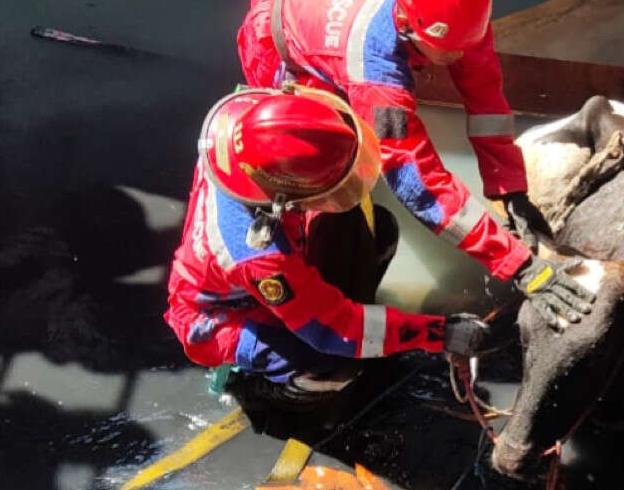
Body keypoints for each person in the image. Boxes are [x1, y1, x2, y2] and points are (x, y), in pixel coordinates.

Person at [235, 0, 592, 330]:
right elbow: (417, 184)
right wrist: (519, 266)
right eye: (451, 49)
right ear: (407, 23)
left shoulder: (451, 4)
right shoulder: (374, 71)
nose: (462, 54)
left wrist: (509, 185)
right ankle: (307, 292)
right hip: (280, 38)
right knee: (318, 167)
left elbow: (485, 91)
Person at [165, 85, 495, 401]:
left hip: (250, 269)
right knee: (331, 363)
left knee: (377, 230)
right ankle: (268, 391)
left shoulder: (247, 123)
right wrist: (439, 334)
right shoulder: (261, 255)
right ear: (284, 196)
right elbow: (333, 329)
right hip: (216, 317)